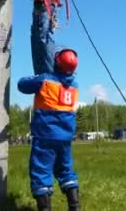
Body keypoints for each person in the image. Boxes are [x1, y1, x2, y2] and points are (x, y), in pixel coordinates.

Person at [17, 48, 81, 211]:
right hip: (65, 137)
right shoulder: (74, 84)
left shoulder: (45, 79)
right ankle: (75, 206)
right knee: (65, 170)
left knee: (41, 171)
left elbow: (22, 85)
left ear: (57, 63)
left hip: (45, 136)